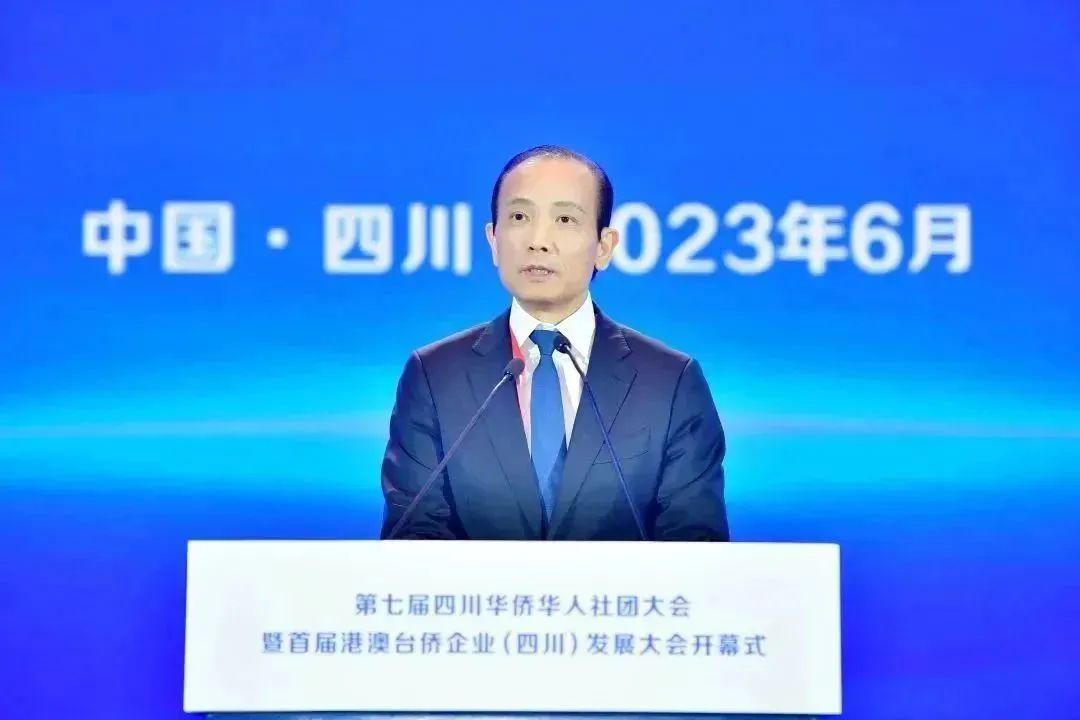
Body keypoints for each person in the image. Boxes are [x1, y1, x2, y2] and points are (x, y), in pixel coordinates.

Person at [380, 145, 728, 541]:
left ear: (604, 247)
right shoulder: (434, 376)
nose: (538, 240)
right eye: (519, 217)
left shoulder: (670, 382)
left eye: (565, 219)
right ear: (493, 239)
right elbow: (413, 541)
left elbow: (696, 549)